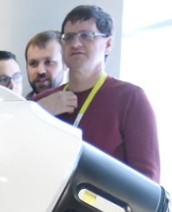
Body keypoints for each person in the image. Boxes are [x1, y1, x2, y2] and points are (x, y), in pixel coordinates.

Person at [34, 4, 160, 182]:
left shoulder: (130, 98)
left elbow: (148, 182)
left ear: (108, 44)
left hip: (102, 207)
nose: (75, 43)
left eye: (86, 35)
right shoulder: (41, 102)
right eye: (68, 37)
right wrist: (39, 113)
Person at [25, 30, 66, 97]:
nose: (40, 71)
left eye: (49, 62)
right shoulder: (19, 107)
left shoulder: (82, 104)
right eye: (33, 63)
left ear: (66, 64)